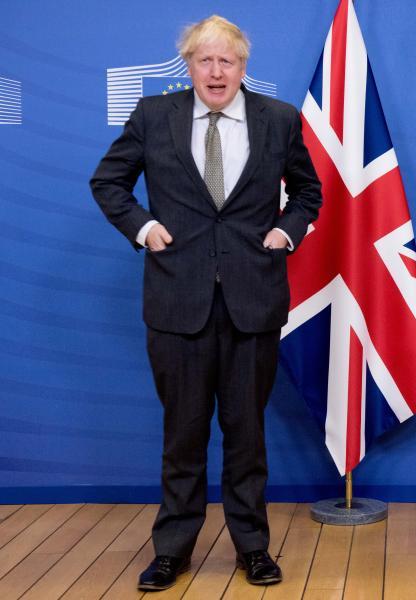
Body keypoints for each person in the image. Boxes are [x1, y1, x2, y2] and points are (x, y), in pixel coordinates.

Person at [90, 15, 322, 591]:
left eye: (227, 61)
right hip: (177, 303)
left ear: (244, 67)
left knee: (247, 436)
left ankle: (253, 548)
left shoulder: (279, 119)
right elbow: (108, 183)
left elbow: (308, 192)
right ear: (188, 66)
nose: (216, 72)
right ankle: (172, 551)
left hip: (253, 301)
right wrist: (144, 228)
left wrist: (286, 231)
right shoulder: (153, 116)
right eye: (205, 60)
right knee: (183, 436)